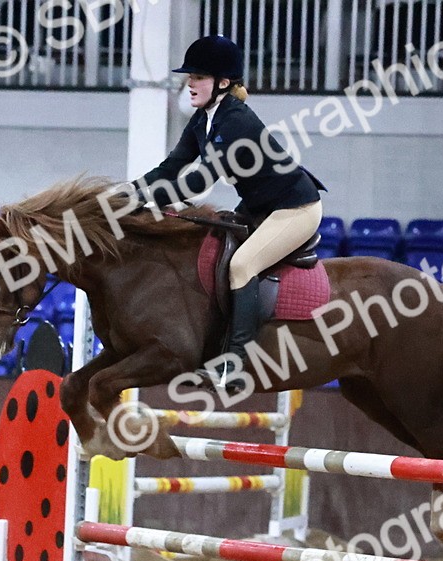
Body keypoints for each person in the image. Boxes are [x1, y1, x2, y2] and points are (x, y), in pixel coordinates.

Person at [132, 35, 326, 392]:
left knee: (242, 265)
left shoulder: (236, 122)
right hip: (258, 207)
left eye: (199, 76)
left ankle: (234, 366)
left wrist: (149, 201)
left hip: (294, 209)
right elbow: (172, 167)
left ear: (223, 83)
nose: (190, 82)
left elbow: (197, 182)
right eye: (190, 76)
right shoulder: (203, 120)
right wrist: (128, 193)